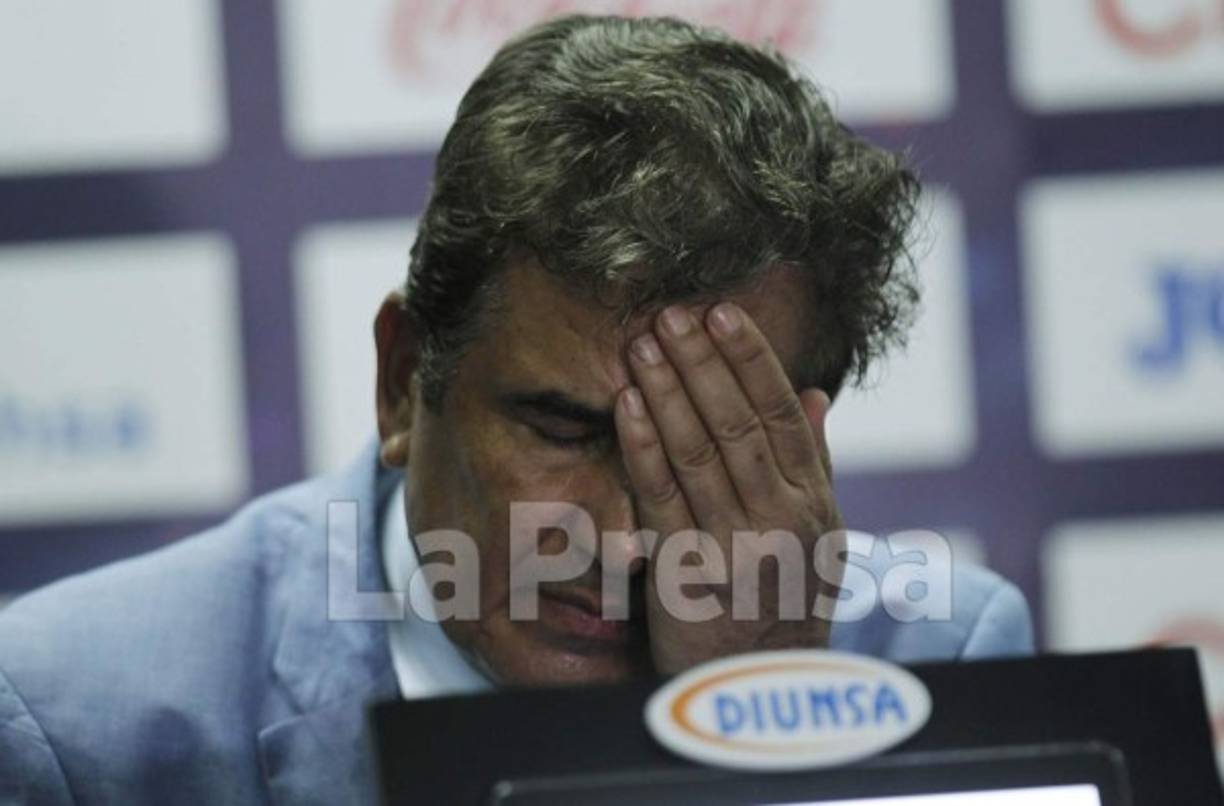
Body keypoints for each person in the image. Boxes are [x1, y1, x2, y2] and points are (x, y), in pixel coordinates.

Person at [0, 14, 1032, 804]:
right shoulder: (77, 722)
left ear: (799, 440)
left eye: (696, 450)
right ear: (404, 381)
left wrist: (756, 719)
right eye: (564, 430)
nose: (625, 541)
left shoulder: (940, 658)